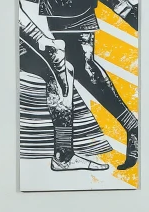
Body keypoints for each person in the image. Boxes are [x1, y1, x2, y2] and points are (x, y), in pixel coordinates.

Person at [27, 0, 139, 170]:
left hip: (69, 8)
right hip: (58, 9)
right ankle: (64, 153)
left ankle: (132, 126)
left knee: (80, 67)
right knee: (73, 68)